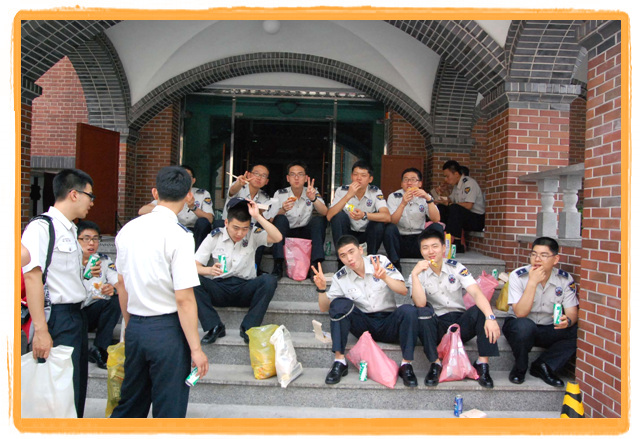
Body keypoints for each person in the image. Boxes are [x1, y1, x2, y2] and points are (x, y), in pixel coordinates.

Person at [112, 166, 208, 418]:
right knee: (169, 408)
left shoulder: (127, 230)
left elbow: (121, 283)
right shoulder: (180, 235)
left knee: (131, 404)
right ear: (188, 195)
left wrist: (130, 324)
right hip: (167, 331)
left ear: (155, 193)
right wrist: (196, 349)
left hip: (136, 326)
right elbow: (184, 299)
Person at [21, 168, 97, 418]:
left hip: (76, 316)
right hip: (56, 317)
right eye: (90, 196)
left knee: (75, 389)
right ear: (74, 194)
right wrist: (41, 330)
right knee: (58, 393)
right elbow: (32, 276)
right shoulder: (42, 227)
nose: (92, 202)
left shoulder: (70, 230)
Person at [311, 235, 420, 387]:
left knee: (409, 311)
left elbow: (403, 290)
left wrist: (385, 277)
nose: (349, 258)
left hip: (388, 321)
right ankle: (339, 361)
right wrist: (322, 289)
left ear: (360, 250)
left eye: (351, 252)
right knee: (339, 304)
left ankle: (406, 365)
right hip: (364, 326)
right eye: (343, 255)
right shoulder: (340, 277)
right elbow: (325, 308)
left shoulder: (380, 261)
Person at [409, 223, 500, 388]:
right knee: (422, 312)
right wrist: (415, 275)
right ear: (421, 251)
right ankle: (435, 364)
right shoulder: (417, 273)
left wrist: (491, 317)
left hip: (460, 323)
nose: (430, 251)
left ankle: (483, 364)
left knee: (482, 311)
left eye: (435, 246)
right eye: (425, 248)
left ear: (444, 248)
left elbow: (476, 293)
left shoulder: (456, 267)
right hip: (437, 325)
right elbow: (420, 303)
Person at [194, 198, 282, 344]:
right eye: (236, 228)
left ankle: (249, 327)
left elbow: (277, 237)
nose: (240, 233)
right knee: (192, 280)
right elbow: (193, 266)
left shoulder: (253, 234)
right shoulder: (214, 237)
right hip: (220, 288)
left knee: (269, 280)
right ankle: (214, 326)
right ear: (226, 223)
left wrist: (258, 216)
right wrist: (208, 270)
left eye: (244, 228)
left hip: (245, 288)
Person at [502, 237, 579, 387]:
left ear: (555, 259)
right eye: (534, 254)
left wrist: (568, 321)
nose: (537, 259)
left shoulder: (564, 279)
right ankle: (520, 368)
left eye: (544, 255)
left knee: (577, 332)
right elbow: (520, 313)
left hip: (548, 327)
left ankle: (544, 365)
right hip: (520, 326)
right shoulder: (518, 276)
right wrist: (532, 282)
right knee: (524, 326)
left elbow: (572, 312)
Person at [270, 161, 328, 279]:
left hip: (305, 232)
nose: (296, 178)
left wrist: (313, 199)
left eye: (300, 174)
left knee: (318, 221)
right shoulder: (279, 194)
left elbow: (325, 212)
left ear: (306, 178)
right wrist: (283, 210)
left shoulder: (312, 191)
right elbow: (270, 219)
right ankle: (278, 264)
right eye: (293, 174)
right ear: (288, 178)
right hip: (286, 232)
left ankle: (315, 264)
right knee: (280, 219)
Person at [76, 220, 122, 370]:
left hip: (91, 313)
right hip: (72, 312)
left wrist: (113, 289)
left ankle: (100, 348)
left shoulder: (104, 260)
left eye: (95, 239)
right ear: (76, 240)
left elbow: (118, 283)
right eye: (86, 239)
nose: (91, 243)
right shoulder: (68, 261)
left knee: (114, 300)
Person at [138, 164, 213, 249]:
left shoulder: (202, 194)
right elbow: (142, 211)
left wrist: (193, 207)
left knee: (203, 222)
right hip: (174, 227)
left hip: (196, 229)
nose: (184, 180)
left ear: (193, 180)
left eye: (187, 177)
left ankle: (198, 253)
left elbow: (210, 219)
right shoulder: (170, 193)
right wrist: (166, 207)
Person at [326, 160, 390, 259]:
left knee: (378, 223)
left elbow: (387, 217)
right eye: (355, 174)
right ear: (351, 176)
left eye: (363, 175)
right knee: (338, 217)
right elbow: (329, 216)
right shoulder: (342, 191)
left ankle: (370, 258)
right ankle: (341, 259)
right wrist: (348, 196)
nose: (358, 178)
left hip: (367, 233)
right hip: (348, 231)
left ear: (370, 179)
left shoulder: (375, 192)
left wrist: (364, 215)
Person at [382, 167, 440, 273]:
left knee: (437, 227)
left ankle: (434, 263)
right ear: (401, 183)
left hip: (419, 241)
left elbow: (436, 219)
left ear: (420, 183)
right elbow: (392, 221)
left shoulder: (425, 197)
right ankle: (395, 264)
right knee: (389, 228)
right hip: (400, 241)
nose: (409, 183)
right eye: (406, 180)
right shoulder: (394, 197)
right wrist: (403, 203)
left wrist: (428, 199)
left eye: (413, 180)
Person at [435, 160, 485, 253]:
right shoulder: (456, 186)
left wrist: (450, 204)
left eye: (447, 176)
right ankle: (441, 238)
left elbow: (469, 205)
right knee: (442, 208)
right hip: (464, 217)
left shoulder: (469, 183)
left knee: (455, 209)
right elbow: (450, 201)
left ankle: (456, 243)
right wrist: (442, 194)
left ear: (456, 174)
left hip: (476, 219)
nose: (446, 179)